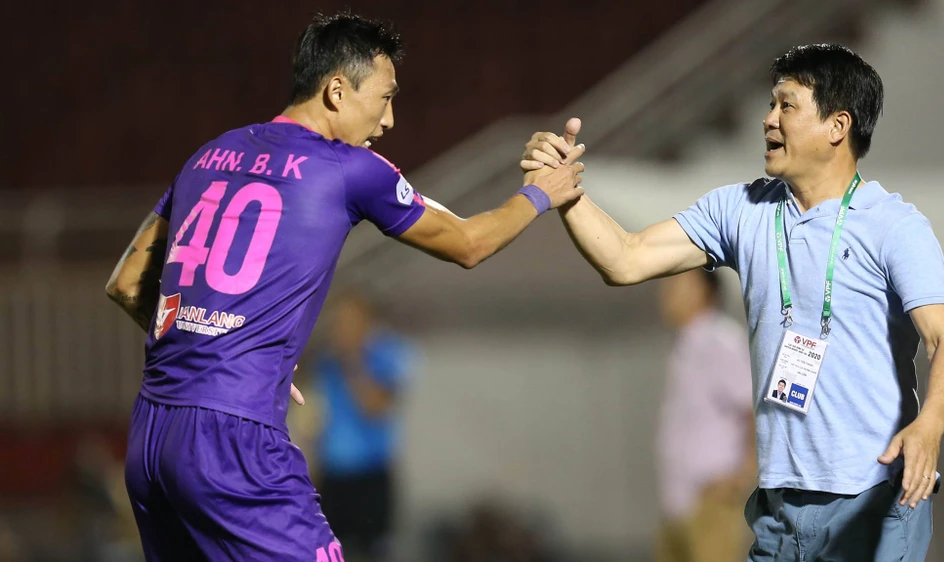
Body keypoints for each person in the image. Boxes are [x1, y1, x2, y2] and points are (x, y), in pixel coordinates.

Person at [104, 13, 585, 561]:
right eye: (385, 98)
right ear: (337, 90)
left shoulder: (207, 156)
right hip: (233, 443)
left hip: (151, 434)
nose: (389, 120)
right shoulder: (349, 168)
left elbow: (126, 284)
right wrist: (540, 192)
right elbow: (469, 243)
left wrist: (215, 345)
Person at [524, 44, 944, 561]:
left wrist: (930, 426)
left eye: (787, 105)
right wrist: (565, 193)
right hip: (779, 509)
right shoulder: (741, 209)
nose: (768, 119)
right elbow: (624, 259)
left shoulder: (895, 226)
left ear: (837, 126)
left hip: (873, 496)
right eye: (771, 104)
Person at [656, 270, 755, 562]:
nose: (667, 293)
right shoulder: (685, 343)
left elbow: (752, 408)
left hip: (711, 494)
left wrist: (742, 475)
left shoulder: (720, 340)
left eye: (677, 284)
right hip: (678, 497)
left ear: (704, 292)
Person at [312, 291, 414, 561]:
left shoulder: (387, 354)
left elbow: (375, 408)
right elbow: (318, 417)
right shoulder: (326, 361)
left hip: (370, 475)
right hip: (333, 475)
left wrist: (352, 360)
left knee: (373, 552)